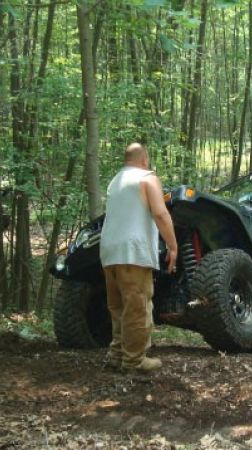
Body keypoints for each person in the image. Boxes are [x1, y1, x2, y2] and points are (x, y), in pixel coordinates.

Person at [100, 143, 177, 373]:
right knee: (137, 307)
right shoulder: (147, 178)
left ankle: (117, 354)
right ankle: (134, 360)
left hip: (109, 251)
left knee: (118, 307)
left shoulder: (115, 182)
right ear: (144, 160)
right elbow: (160, 213)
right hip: (133, 251)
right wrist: (172, 246)